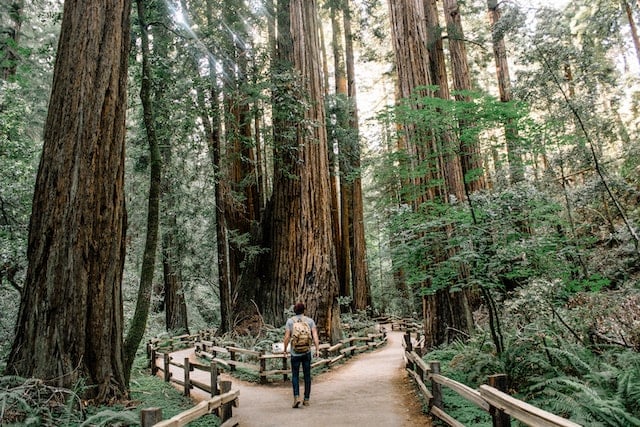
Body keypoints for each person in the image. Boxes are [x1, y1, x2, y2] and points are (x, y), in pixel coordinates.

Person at [283, 302, 320, 408]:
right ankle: (306, 399)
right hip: (307, 352)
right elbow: (315, 336)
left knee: (295, 375)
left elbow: (287, 337)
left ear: (294, 311)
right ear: (304, 310)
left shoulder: (290, 321)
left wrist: (285, 350)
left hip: (295, 353)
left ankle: (296, 397)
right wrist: (317, 349)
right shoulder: (310, 321)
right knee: (307, 375)